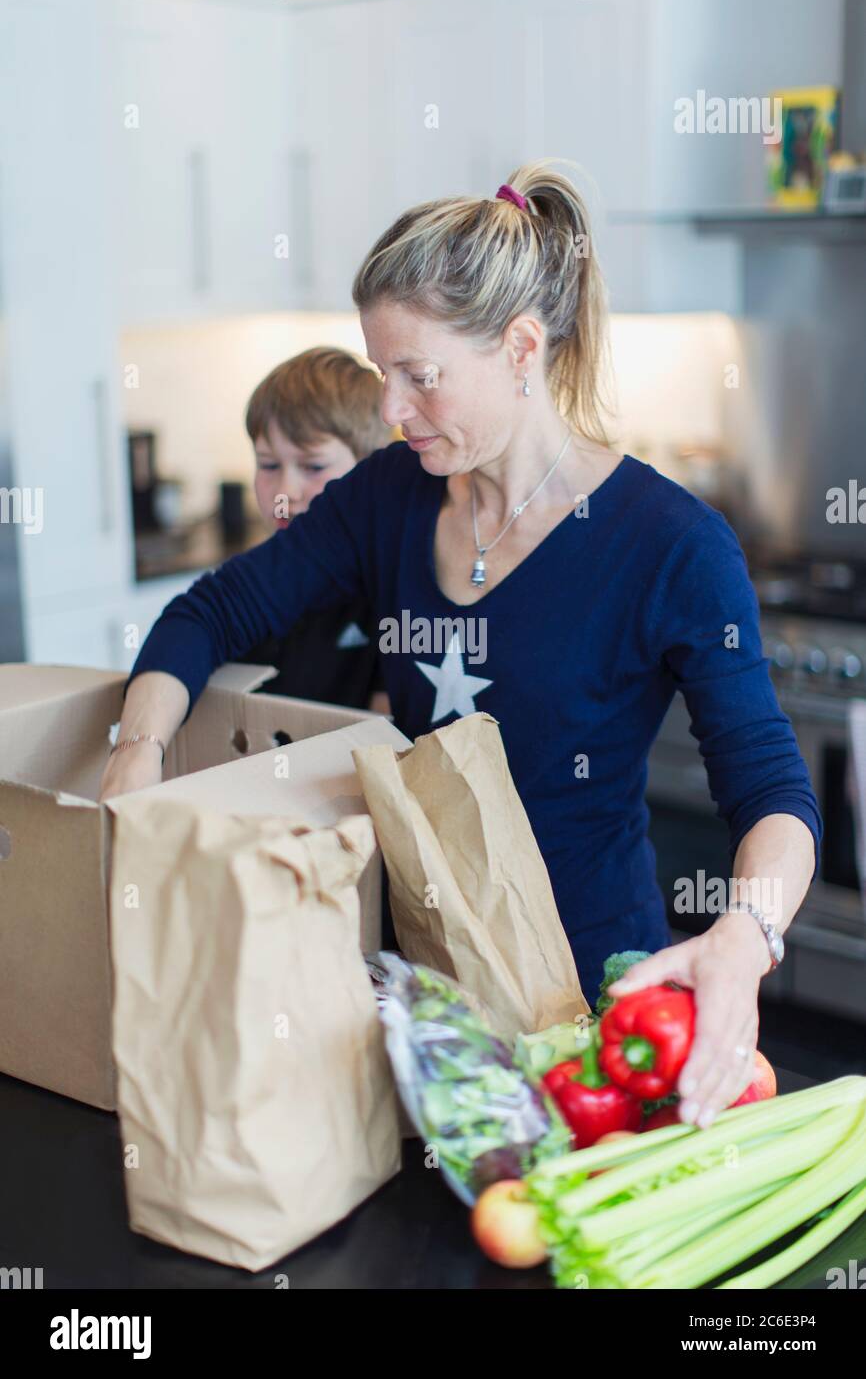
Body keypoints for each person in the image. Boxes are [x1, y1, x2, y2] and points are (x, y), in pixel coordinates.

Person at [100, 160, 822, 1131]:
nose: (390, 411)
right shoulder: (387, 497)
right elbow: (208, 613)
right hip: (416, 993)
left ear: (520, 348)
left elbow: (772, 792)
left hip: (594, 1004)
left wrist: (745, 933)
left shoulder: (669, 544)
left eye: (418, 376)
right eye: (380, 371)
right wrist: (137, 751)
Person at [239, 346, 393, 713]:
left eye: (313, 467)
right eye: (268, 464)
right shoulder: (248, 586)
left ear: (371, 469)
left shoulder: (393, 599)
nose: (285, 493)